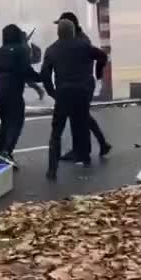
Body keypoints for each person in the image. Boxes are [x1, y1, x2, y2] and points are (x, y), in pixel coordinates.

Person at [41, 19, 108, 180]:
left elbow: (45, 75)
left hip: (64, 93)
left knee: (56, 131)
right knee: (83, 123)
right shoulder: (83, 46)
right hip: (83, 92)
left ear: (59, 33)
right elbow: (102, 56)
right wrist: (97, 74)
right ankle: (85, 158)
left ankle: (52, 169)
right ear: (72, 32)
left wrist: (52, 93)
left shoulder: (52, 50)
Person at [53, 12, 112, 161]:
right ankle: (99, 144)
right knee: (82, 116)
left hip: (82, 84)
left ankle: (81, 151)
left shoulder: (80, 41)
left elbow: (100, 56)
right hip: (82, 83)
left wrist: (98, 73)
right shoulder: (76, 40)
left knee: (78, 117)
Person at [0, 24, 41, 168]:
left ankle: (0, 152)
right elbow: (26, 70)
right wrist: (41, 77)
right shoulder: (21, 50)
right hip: (12, 90)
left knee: (5, 122)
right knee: (16, 121)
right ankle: (6, 152)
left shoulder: (0, 51)